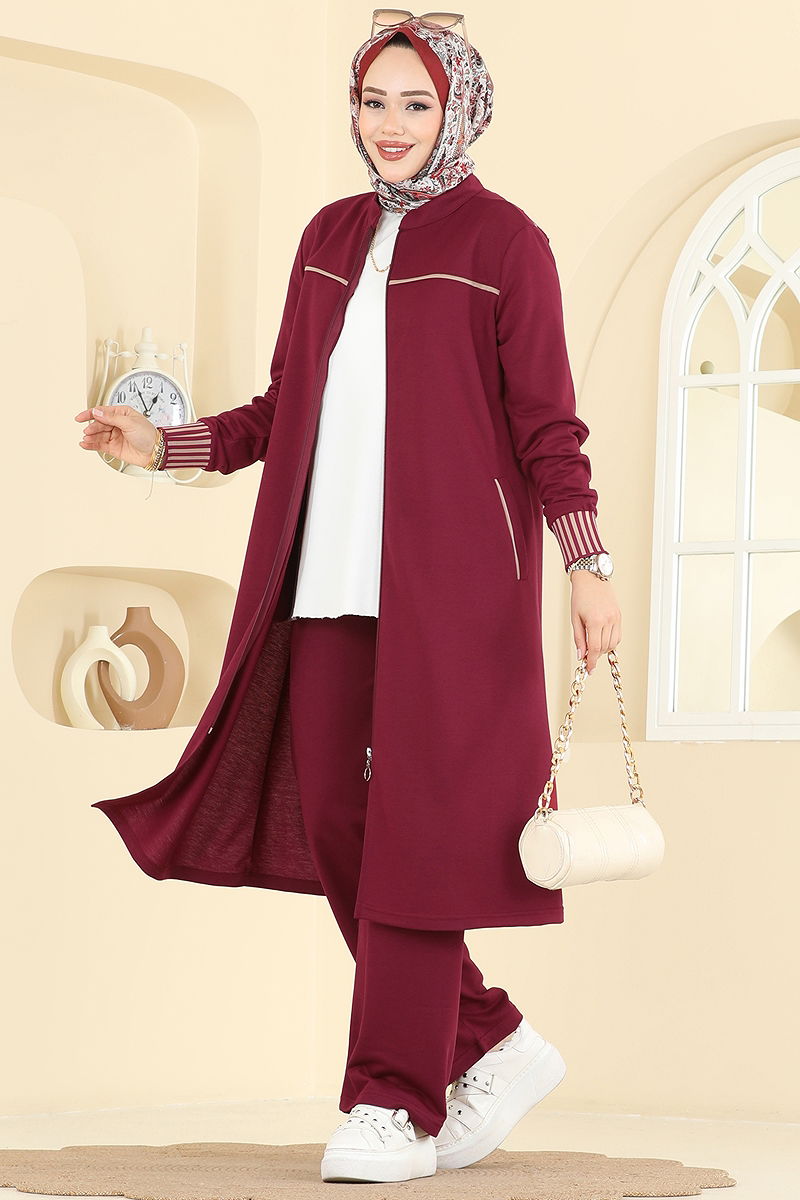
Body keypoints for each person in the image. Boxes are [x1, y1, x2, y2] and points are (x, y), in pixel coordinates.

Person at [75, 13, 621, 1187]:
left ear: (458, 111)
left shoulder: (505, 243)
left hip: (453, 599)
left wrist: (587, 564)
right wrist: (162, 444)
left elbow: (548, 427)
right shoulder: (328, 236)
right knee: (339, 829)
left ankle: (391, 1104)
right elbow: (282, 411)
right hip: (324, 584)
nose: (389, 124)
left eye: (415, 103)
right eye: (374, 101)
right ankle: (490, 1040)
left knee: (419, 844)